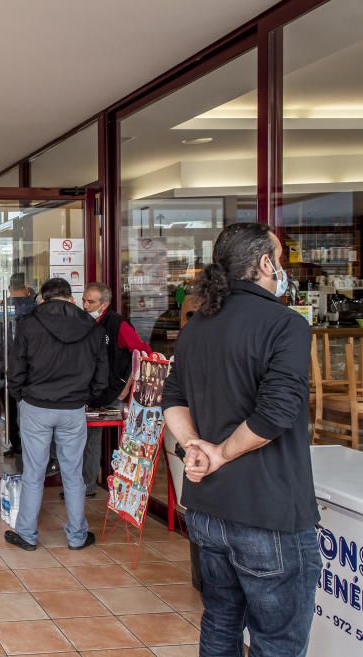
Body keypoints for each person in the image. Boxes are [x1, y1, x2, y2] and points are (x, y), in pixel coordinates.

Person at [164, 223, 320, 656]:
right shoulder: (284, 324)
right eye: (281, 256)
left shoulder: (197, 325)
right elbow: (276, 413)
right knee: (277, 642)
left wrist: (194, 444)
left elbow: (172, 397)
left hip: (208, 510)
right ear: (266, 263)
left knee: (220, 623)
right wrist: (218, 452)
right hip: (267, 513)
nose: (282, 265)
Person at [5, 277, 107, 551]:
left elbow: (16, 367)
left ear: (44, 298)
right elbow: (101, 373)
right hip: (73, 408)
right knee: (73, 474)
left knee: (34, 473)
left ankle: (26, 534)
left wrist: (20, 397)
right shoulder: (91, 326)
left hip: (36, 406)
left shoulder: (29, 324)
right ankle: (76, 536)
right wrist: (89, 397)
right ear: (69, 296)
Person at [75, 281, 150, 497]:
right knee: (88, 438)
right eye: (84, 301)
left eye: (91, 301)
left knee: (121, 440)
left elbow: (141, 353)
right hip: (90, 391)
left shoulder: (118, 324)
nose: (86, 305)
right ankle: (87, 485)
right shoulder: (84, 322)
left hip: (114, 390)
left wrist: (127, 387)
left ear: (105, 303)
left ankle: (123, 488)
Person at [3, 274, 37, 460]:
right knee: (24, 410)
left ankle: (17, 445)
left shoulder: (4, 305)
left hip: (7, 364)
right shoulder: (32, 306)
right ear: (26, 288)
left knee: (11, 408)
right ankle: (25, 447)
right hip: (28, 366)